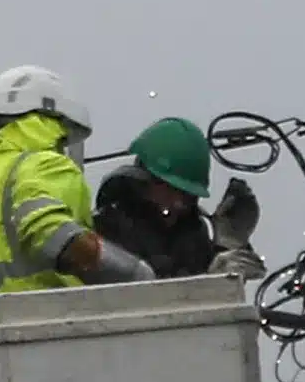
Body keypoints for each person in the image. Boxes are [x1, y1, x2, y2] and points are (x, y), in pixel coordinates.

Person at [0, 65, 157, 307]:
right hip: (52, 325)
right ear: (48, 119)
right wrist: (135, 273)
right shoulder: (42, 164)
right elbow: (50, 231)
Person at [94, 116, 266, 280]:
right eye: (169, 190)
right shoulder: (107, 233)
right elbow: (133, 300)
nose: (178, 203)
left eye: (187, 195)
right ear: (142, 181)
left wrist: (227, 245)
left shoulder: (192, 234)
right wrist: (212, 283)